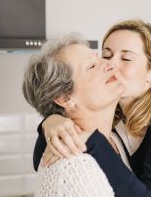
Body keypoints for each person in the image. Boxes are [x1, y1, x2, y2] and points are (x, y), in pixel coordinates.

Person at [34, 20, 151, 196]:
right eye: (106, 55)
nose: (111, 64)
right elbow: (42, 160)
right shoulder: (114, 119)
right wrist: (50, 122)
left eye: (126, 58)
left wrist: (92, 140)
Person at [22, 33, 126, 196]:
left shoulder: (117, 140)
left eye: (100, 58)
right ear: (64, 99)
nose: (109, 64)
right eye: (91, 66)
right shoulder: (76, 167)